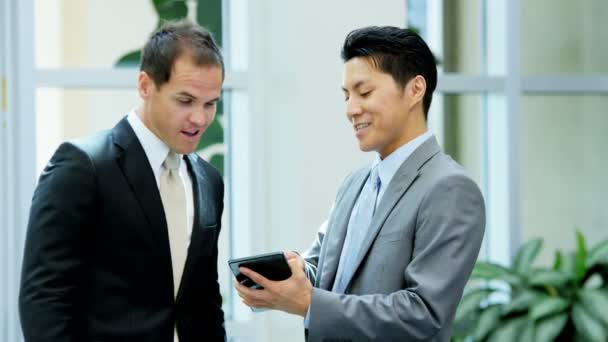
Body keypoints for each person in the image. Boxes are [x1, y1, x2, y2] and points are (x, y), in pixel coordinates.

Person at [234, 26, 485, 341]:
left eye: (364, 92)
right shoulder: (354, 184)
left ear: (415, 90)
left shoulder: (450, 189)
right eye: (347, 95)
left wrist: (309, 302)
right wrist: (291, 273)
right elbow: (324, 274)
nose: (351, 109)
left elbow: (425, 315)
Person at [19, 20, 226, 342]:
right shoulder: (82, 166)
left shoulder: (208, 179)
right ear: (145, 85)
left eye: (210, 103)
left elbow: (204, 299)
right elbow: (44, 298)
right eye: (185, 101)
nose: (199, 118)